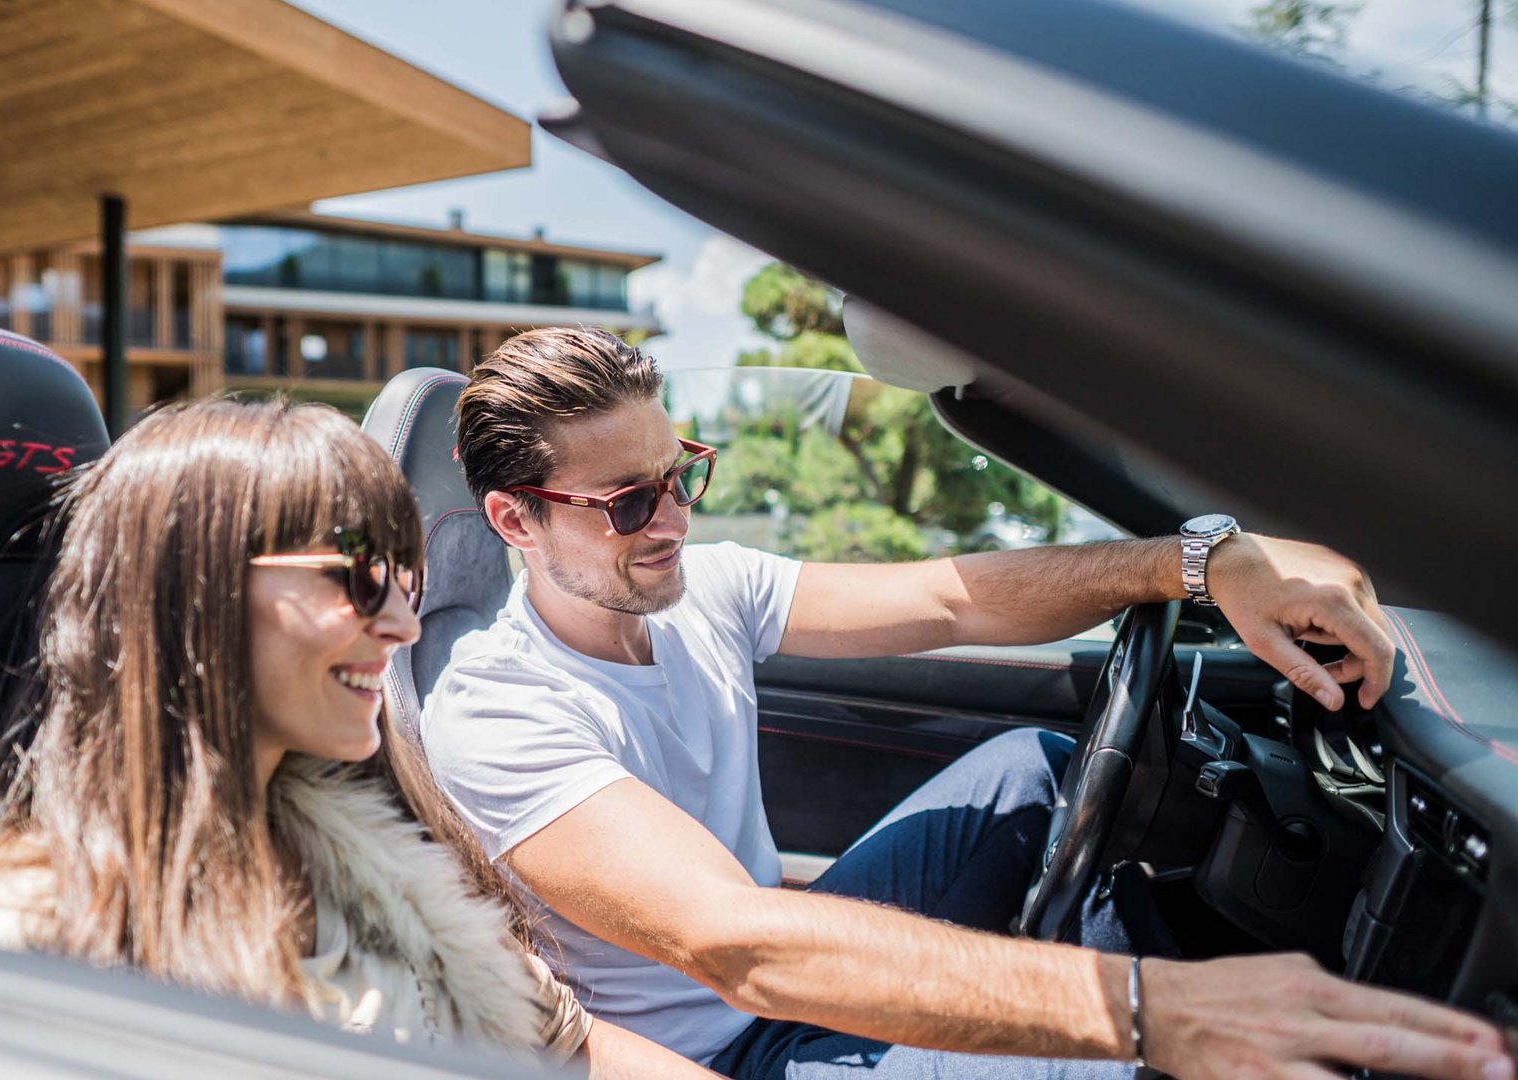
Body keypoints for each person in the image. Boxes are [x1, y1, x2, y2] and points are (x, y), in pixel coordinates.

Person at [420, 327, 1515, 1080]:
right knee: (1115, 1044)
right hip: (731, 1051)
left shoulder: (705, 589)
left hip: (777, 992)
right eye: (628, 503)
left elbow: (952, 599)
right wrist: (1145, 1012)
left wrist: (1196, 561)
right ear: (517, 521)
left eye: (682, 473)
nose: (673, 521)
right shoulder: (499, 715)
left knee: (1034, 771)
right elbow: (738, 944)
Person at [0, 397, 713, 1075]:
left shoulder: (386, 854)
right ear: (199, 594)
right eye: (358, 577)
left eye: (407, 580)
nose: (402, 626)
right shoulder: (40, 930)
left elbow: (571, 1047)